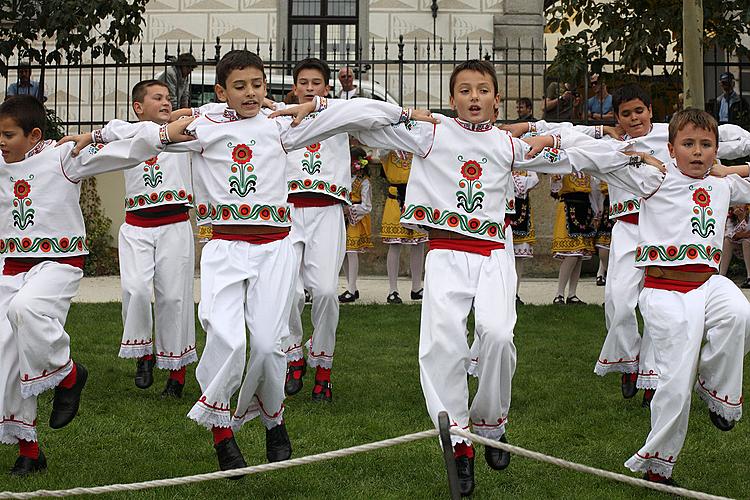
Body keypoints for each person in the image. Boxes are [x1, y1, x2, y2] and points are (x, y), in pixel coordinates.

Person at [81, 50, 436, 474]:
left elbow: (354, 113)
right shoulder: (204, 126)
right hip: (225, 251)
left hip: (274, 250)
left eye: (257, 84)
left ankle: (273, 419)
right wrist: (96, 137)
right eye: (239, 86)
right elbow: (142, 134)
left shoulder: (282, 126)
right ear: (220, 91)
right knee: (228, 340)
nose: (250, 93)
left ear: (267, 87)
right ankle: (221, 432)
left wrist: (333, 105)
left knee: (268, 345)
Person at [350, 59, 590, 496]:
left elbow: (577, 147)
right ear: (451, 99)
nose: (474, 97)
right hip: (445, 252)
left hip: (493, 252)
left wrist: (547, 132)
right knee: (444, 344)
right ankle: (460, 444)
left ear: (497, 101)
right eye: (464, 90)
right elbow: (366, 125)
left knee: (498, 335)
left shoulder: (506, 144)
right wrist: (406, 114)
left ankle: (491, 424)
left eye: (483, 90)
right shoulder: (431, 133)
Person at [0, 95, 192, 476]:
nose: (1, 142)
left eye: (8, 134)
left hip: (57, 265)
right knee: (6, 356)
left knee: (25, 311)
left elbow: (123, 152)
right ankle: (29, 450)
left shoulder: (62, 156)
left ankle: (70, 375)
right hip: (9, 268)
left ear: (34, 134)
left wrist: (164, 134)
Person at [560, 109, 750, 484]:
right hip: (665, 290)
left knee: (740, 314)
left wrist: (733, 171)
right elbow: (595, 158)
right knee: (674, 387)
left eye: (706, 145)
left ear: (717, 151)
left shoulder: (723, 185)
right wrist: (636, 156)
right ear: (671, 149)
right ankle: (657, 466)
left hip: (708, 283)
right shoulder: (653, 179)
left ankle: (716, 390)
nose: (697, 152)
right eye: (688, 144)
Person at [100, 80, 197, 398]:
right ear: (138, 107)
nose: (166, 102)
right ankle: (142, 352)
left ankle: (176, 372)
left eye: (169, 98)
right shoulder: (129, 133)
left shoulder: (186, 131)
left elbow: (212, 115)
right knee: (136, 289)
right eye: (158, 98)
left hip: (174, 226)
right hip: (136, 227)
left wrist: (184, 113)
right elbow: (109, 130)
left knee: (173, 298)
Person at [281, 58, 358, 403]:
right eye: (303, 82)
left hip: (326, 212)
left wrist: (347, 88)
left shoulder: (340, 114)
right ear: (294, 87)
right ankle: (294, 357)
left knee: (326, 291)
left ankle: (323, 368)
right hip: (288, 212)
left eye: (316, 82)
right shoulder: (280, 119)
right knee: (289, 293)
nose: (309, 87)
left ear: (326, 88)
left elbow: (367, 110)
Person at [379, 150, 427, 304]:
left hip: (416, 196)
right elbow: (382, 147)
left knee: (419, 244)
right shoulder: (388, 149)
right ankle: (393, 290)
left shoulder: (416, 147)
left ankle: (416, 287)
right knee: (395, 243)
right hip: (395, 197)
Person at [550, 172, 595, 304]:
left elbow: (593, 191)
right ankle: (559, 293)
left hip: (584, 208)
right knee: (572, 254)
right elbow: (554, 189)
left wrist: (596, 211)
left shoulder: (587, 169)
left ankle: (572, 294)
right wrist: (556, 179)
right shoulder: (563, 167)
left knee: (579, 254)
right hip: (568, 206)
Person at [339, 147, 373, 302]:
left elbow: (367, 206)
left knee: (352, 252)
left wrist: (350, 210)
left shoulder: (364, 182)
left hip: (356, 220)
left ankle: (351, 289)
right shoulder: (343, 178)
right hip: (343, 217)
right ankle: (351, 286)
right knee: (345, 253)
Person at [720, 204, 750, 287]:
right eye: (735, 204)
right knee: (727, 242)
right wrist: (740, 219)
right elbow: (729, 234)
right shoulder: (731, 216)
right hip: (739, 244)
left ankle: (749, 277)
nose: (738, 206)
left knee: (746, 242)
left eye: (740, 203)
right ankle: (721, 275)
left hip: (747, 243)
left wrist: (742, 218)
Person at [592, 177, 612, 286]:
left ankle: (603, 273)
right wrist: (597, 210)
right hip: (606, 207)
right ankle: (604, 271)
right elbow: (596, 191)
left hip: (622, 206)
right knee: (604, 244)